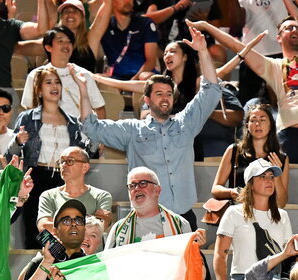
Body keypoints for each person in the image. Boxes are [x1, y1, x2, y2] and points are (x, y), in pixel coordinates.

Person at [79, 27, 220, 227]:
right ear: (147, 99)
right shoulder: (132, 130)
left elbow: (211, 91)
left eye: (169, 94)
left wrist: (203, 51)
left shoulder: (186, 123)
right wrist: (84, 91)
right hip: (147, 220)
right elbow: (92, 128)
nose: (165, 98)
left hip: (184, 219)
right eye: (159, 93)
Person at [194, 0, 298, 164]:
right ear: (278, 37)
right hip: (289, 135)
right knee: (288, 187)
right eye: (288, 28)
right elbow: (238, 47)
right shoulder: (272, 66)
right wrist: (207, 27)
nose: (295, 30)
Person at [10, 66, 94, 248]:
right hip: (36, 177)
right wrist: (17, 140)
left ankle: (63, 267)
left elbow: (85, 152)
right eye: (48, 82)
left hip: (65, 178)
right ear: (39, 89)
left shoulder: (72, 122)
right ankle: (39, 270)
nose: (54, 86)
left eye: (57, 82)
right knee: (37, 232)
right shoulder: (27, 118)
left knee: (66, 228)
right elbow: (11, 154)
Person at [214, 159, 293, 280]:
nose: (269, 181)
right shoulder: (234, 213)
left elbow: (288, 254)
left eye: (271, 177)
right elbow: (220, 254)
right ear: (250, 184)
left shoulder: (283, 215)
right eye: (263, 177)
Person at [106, 166, 205, 249]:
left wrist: (196, 245)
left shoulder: (180, 224)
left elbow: (188, 263)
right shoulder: (118, 229)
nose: (136, 188)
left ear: (157, 190)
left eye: (142, 183)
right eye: (132, 186)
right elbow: (107, 264)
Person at [211, 104, 289, 207]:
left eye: (263, 120)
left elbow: (281, 203)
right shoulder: (234, 151)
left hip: (266, 214)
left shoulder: (281, 158)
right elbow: (215, 189)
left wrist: (277, 176)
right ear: (247, 126)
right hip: (238, 210)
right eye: (253, 120)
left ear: (271, 126)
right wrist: (231, 192)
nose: (257, 124)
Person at [23, 26, 107, 119]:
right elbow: (29, 108)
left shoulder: (84, 74)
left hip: (79, 131)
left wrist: (98, 132)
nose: (66, 45)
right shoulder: (36, 75)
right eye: (60, 41)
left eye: (69, 42)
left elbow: (99, 108)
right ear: (48, 47)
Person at [37, 146, 113, 233]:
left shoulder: (101, 196)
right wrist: (88, 221)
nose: (63, 165)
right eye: (61, 162)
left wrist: (61, 224)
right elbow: (44, 227)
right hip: (60, 247)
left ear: (85, 167)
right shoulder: (48, 196)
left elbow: (100, 226)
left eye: (70, 161)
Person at [102, 0, 159, 80]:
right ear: (113, 2)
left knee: (146, 77)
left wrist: (132, 81)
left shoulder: (145, 23)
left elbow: (151, 61)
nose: (128, 1)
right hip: (116, 79)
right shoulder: (105, 26)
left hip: (141, 79)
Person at [56, 0, 111, 72]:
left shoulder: (90, 40)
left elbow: (107, 4)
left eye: (75, 11)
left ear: (82, 18)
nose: (70, 14)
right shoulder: (53, 40)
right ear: (61, 17)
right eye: (66, 11)